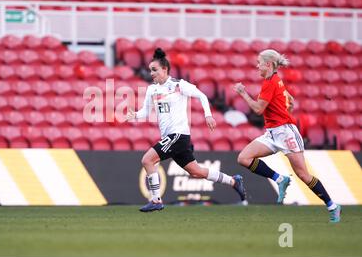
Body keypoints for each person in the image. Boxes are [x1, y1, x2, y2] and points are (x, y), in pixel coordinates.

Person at [126, 48, 247, 212]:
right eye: (150, 70)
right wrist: (135, 115)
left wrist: (208, 116)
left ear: (164, 69)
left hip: (178, 135)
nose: (152, 73)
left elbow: (202, 96)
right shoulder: (151, 89)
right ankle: (233, 181)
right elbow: (146, 112)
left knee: (147, 160)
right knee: (196, 172)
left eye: (154, 70)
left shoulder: (178, 85)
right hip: (171, 137)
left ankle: (155, 200)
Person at [233, 49, 341, 223]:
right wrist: (286, 107)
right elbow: (289, 101)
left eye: (259, 62)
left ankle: (332, 206)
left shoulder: (270, 83)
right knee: (244, 158)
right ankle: (280, 179)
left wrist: (243, 93)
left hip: (285, 132)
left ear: (268, 64)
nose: (257, 65)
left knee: (303, 175)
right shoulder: (273, 81)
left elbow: (258, 109)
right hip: (272, 132)